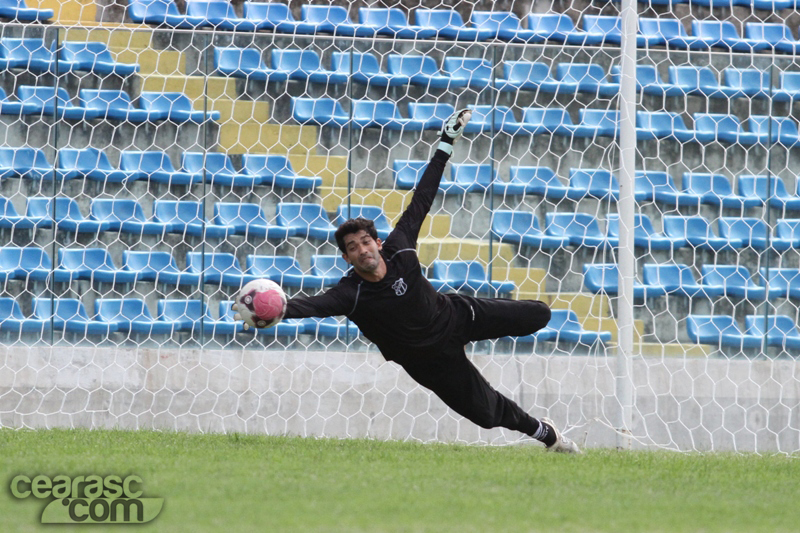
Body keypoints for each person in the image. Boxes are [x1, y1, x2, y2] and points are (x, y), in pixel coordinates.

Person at [275, 110, 580, 453]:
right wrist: (273, 311)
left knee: (538, 315)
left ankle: (512, 338)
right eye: (352, 248)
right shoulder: (351, 294)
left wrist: (446, 143)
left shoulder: (401, 246)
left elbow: (423, 196)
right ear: (346, 258)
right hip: (429, 361)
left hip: (456, 316)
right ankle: (546, 435)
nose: (362, 250)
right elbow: (310, 306)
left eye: (365, 241)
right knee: (486, 413)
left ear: (377, 243)